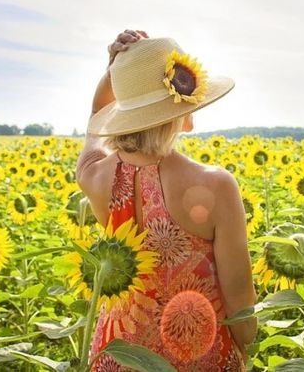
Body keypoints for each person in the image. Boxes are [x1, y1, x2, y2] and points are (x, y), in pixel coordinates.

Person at [75, 30, 257, 371]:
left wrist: (114, 73)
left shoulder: (95, 175)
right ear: (181, 108)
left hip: (118, 356)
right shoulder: (216, 185)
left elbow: (94, 123)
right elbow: (240, 302)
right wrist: (246, 351)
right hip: (200, 355)